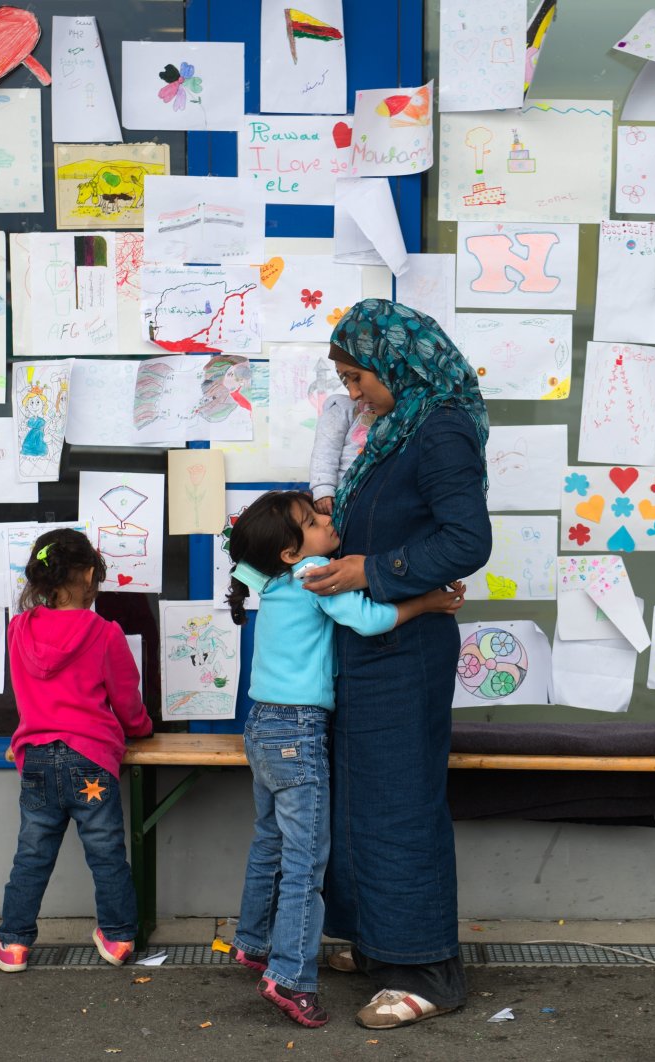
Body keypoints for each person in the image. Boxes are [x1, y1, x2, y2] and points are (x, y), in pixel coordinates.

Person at [299, 299, 492, 1029]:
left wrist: (375, 570)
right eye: (343, 380)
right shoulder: (387, 429)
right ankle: (374, 942)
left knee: (399, 800)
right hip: (363, 640)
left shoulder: (439, 429)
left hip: (405, 648)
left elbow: (467, 540)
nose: (353, 395)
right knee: (354, 795)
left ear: (400, 365)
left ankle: (426, 969)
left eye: (359, 378)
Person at [224, 490, 465, 1028]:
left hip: (262, 724)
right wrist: (427, 603)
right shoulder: (315, 573)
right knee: (306, 863)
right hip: (299, 730)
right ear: (291, 552)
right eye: (313, 521)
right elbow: (371, 620)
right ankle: (290, 978)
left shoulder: (270, 577)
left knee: (271, 844)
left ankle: (253, 941)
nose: (328, 522)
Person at [0, 528, 152, 974]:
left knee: (33, 852)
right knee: (106, 852)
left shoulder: (18, 629)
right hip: (91, 761)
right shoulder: (104, 633)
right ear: (85, 575)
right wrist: (140, 727)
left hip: (38, 758)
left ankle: (13, 944)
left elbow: (26, 694)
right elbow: (126, 700)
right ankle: (119, 937)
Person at [309, 393, 376, 515]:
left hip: (374, 497)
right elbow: (325, 451)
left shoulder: (401, 409)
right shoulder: (342, 408)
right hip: (342, 496)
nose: (354, 391)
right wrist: (323, 488)